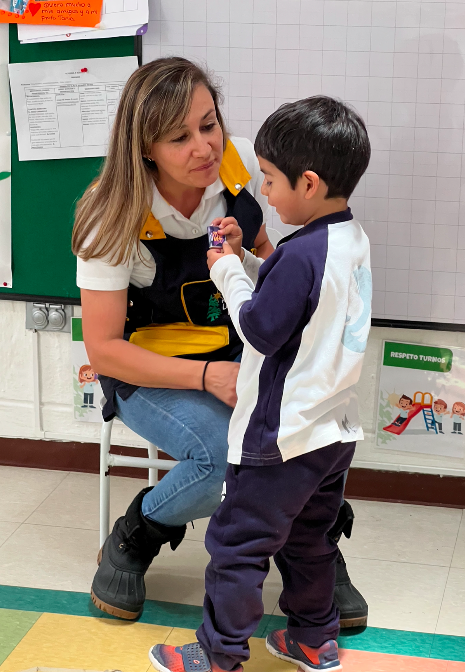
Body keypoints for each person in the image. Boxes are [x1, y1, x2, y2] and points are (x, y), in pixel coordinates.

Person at [72, 57, 367, 628]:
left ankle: (310, 548)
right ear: (145, 148)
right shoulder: (108, 217)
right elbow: (104, 349)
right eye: (180, 137)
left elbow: (265, 255)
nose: (205, 147)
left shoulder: (234, 167)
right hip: (150, 369)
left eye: (209, 123)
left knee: (311, 426)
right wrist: (208, 377)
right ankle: (139, 531)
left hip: (237, 349)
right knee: (221, 462)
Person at [149, 96, 371, 672]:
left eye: (270, 180)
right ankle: (313, 639)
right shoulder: (348, 240)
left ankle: (217, 654)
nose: (263, 193)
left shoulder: (299, 256)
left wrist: (223, 269)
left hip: (281, 434)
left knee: (237, 546)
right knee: (309, 539)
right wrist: (246, 257)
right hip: (331, 431)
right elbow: (296, 303)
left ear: (311, 182)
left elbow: (261, 329)